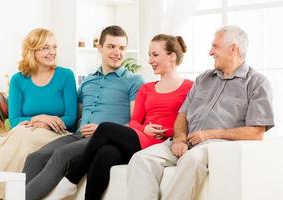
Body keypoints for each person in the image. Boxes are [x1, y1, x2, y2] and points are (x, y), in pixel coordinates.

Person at [127, 25, 275, 200]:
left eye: (215, 46)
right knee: (140, 159)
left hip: (216, 144)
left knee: (192, 159)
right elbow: (182, 114)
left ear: (233, 48)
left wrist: (209, 134)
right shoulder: (204, 78)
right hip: (186, 140)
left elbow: (257, 132)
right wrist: (179, 138)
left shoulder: (256, 83)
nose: (210, 52)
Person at [40, 33, 194, 200]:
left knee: (105, 127)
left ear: (171, 56)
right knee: (105, 154)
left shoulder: (190, 88)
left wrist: (168, 131)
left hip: (163, 143)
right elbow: (135, 121)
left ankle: (71, 180)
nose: (150, 60)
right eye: (149, 55)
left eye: (155, 55)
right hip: (142, 137)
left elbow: (191, 121)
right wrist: (145, 128)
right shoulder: (147, 88)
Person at [23, 25, 144, 200]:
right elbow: (76, 116)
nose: (117, 52)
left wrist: (105, 131)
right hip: (78, 135)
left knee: (61, 155)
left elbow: (136, 122)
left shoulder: (134, 81)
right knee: (35, 157)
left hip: (104, 139)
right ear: (100, 47)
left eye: (122, 48)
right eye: (112, 46)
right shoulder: (88, 80)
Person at [0, 28, 77, 200]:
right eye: (46, 48)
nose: (52, 52)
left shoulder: (65, 75)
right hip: (27, 132)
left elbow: (70, 117)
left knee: (20, 134)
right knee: (20, 134)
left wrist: (45, 123)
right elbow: (14, 120)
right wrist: (38, 118)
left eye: (54, 47)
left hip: (57, 134)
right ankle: (0, 194)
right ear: (32, 51)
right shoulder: (18, 80)